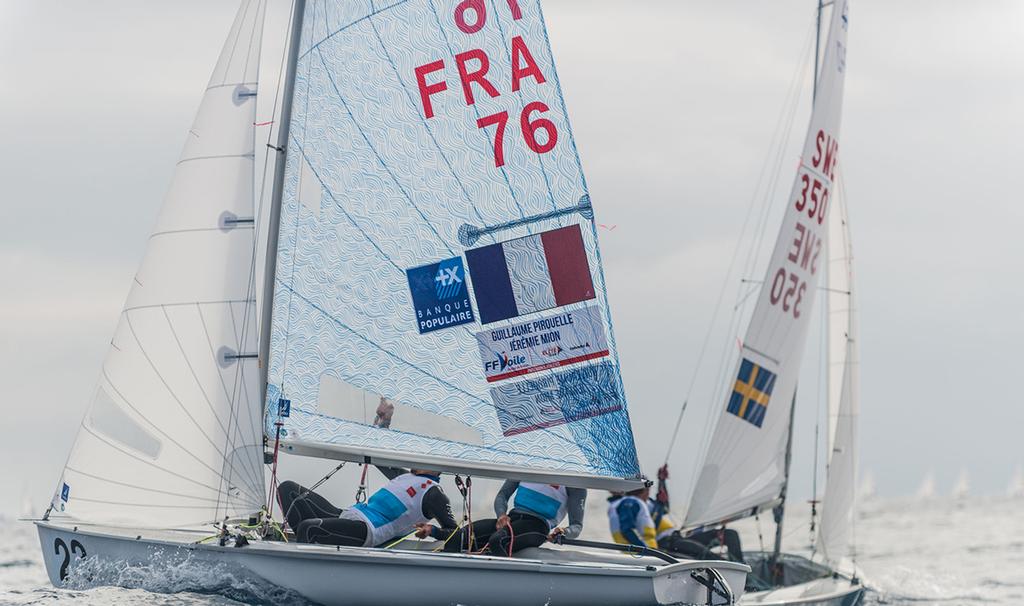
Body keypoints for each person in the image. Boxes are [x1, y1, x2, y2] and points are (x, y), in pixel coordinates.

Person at [278, 466, 458, 547]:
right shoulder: (404, 476)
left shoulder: (435, 495)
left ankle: (303, 574)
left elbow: (455, 532)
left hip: (369, 530)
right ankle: (309, 551)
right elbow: (379, 449)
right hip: (350, 514)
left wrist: (432, 530)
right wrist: (382, 422)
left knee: (309, 528)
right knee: (287, 489)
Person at [443, 481, 586, 556]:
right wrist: (501, 515)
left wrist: (563, 532)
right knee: (457, 538)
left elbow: (576, 527)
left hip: (538, 526)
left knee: (497, 540)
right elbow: (502, 496)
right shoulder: (528, 464)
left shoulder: (574, 481)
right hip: (512, 520)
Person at [650, 464, 745, 563]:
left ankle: (741, 569)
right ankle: (733, 569)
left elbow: (664, 504)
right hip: (669, 543)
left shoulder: (651, 504)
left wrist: (661, 481)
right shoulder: (637, 506)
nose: (648, 488)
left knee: (731, 535)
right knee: (710, 556)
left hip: (680, 536)